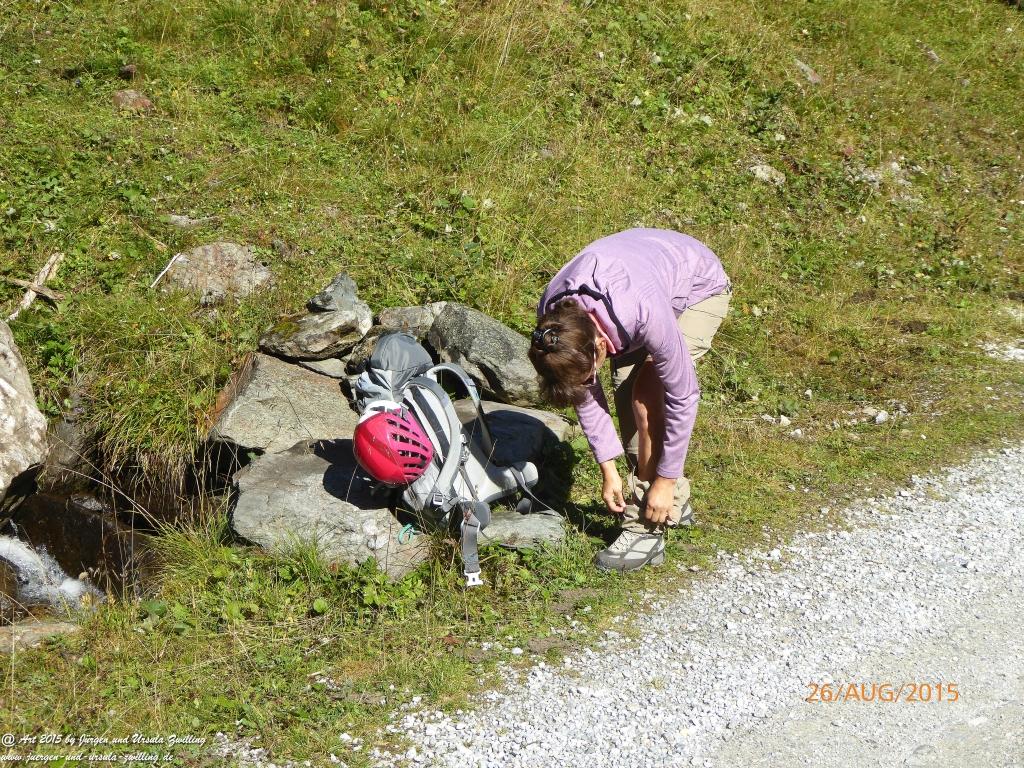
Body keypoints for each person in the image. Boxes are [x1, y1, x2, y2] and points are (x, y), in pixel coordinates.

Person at [529, 228, 731, 572]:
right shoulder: (555, 325)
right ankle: (666, 503)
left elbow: (683, 395)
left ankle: (646, 528)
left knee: (647, 395)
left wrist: (665, 481)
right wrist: (608, 471)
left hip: (696, 286)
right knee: (628, 396)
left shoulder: (642, 309)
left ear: (601, 346)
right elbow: (585, 394)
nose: (588, 381)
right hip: (634, 285)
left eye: (589, 371)